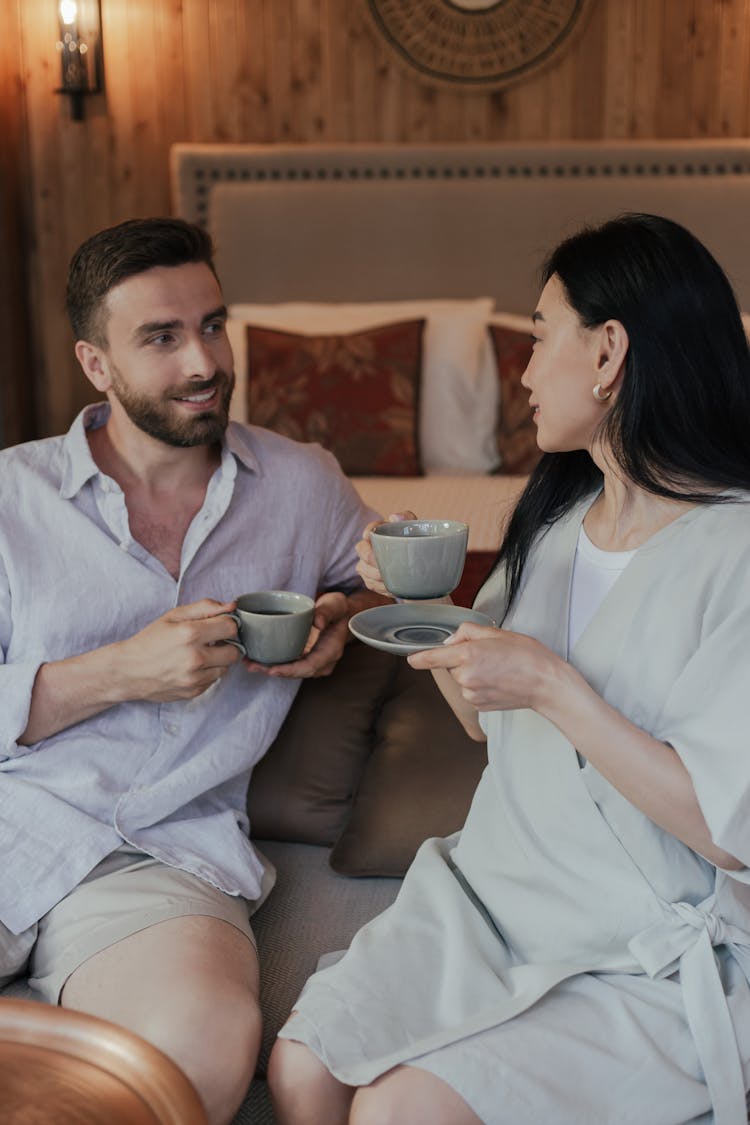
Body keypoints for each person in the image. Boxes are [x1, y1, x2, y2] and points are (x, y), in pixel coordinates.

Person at [267, 213, 750, 1125]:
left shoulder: (735, 551)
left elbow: (729, 833)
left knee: (398, 1110)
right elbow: (487, 721)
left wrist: (555, 686)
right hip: (492, 895)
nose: (521, 376)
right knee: (301, 1068)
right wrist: (424, 617)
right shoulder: (556, 529)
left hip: (633, 945)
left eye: (536, 340)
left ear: (609, 353)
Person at [0, 217, 383, 1124]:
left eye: (213, 324)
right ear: (97, 364)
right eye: (162, 338)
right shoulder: (10, 496)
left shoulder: (303, 484)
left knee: (204, 1044)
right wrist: (119, 671)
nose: (204, 361)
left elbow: (368, 585)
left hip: (168, 849)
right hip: (15, 813)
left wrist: (340, 620)